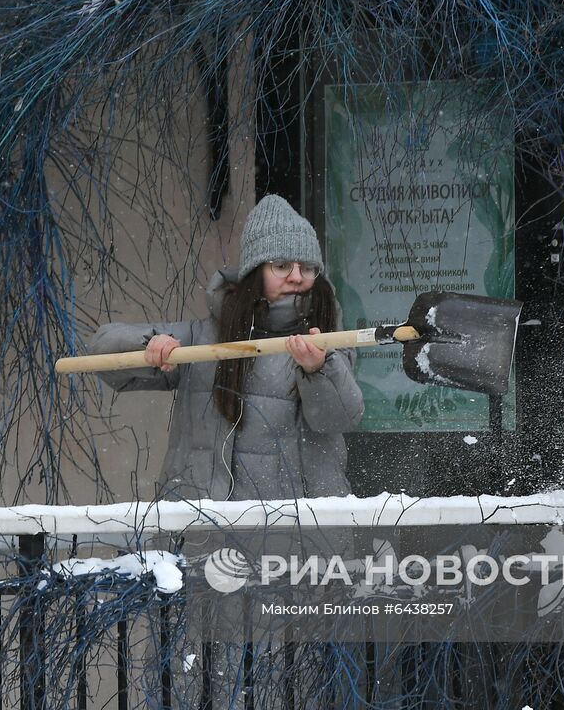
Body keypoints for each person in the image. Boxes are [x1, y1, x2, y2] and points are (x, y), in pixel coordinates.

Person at [90, 194, 364, 501]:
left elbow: (340, 418)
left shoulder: (328, 340)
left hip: (303, 535)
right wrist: (148, 346)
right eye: (282, 265)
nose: (297, 277)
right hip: (207, 531)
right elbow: (102, 355)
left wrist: (318, 370)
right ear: (255, 271)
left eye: (308, 267)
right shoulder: (200, 340)